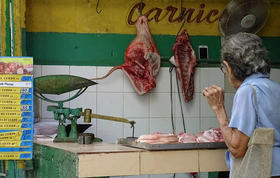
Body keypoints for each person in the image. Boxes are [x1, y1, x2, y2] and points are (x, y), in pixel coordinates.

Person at [202, 32, 280, 177]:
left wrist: (218, 108)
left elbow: (237, 149)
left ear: (228, 67)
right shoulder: (276, 88)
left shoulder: (247, 91)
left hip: (261, 172)